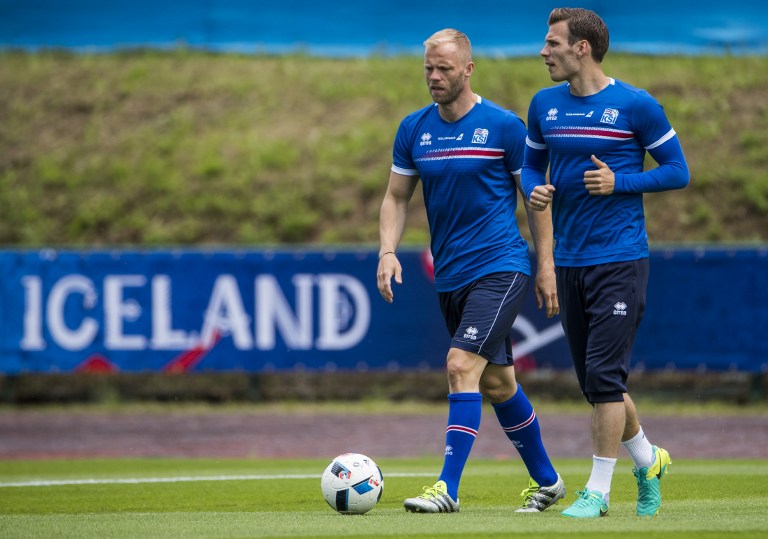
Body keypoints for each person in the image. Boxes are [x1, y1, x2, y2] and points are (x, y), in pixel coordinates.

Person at [376, 28, 565, 514]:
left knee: (460, 365)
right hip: (452, 276)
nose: (434, 78)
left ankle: (447, 488)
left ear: (467, 69)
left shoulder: (504, 127)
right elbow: (397, 197)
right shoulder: (413, 129)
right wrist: (387, 250)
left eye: (443, 69)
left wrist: (545, 264)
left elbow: (535, 199)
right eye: (428, 70)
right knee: (498, 384)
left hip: (501, 266)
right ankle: (548, 482)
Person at [522, 8, 690, 518]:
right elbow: (529, 165)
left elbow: (678, 171)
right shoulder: (544, 105)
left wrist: (623, 183)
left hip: (620, 258)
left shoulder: (636, 106)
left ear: (582, 48)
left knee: (604, 376)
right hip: (570, 260)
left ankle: (597, 491)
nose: (543, 51)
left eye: (552, 43)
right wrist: (535, 189)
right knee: (599, 383)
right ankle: (648, 460)